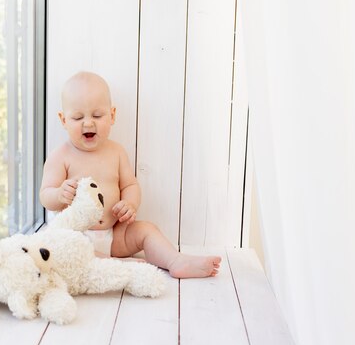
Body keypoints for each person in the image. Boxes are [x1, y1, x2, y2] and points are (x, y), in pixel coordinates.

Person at [39, 71, 221, 278]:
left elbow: (130, 186)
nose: (88, 123)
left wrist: (130, 204)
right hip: (77, 237)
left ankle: (175, 260)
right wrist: (59, 194)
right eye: (78, 117)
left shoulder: (116, 152)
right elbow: (45, 195)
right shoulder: (60, 156)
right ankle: (113, 265)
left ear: (112, 115)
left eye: (97, 116)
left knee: (147, 230)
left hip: (115, 234)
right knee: (66, 249)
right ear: (63, 120)